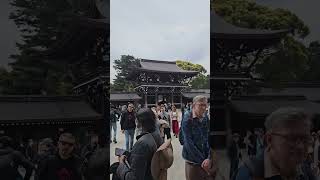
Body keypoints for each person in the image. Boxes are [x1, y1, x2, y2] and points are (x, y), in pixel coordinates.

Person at [234, 107, 318, 180]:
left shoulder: (305, 171)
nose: (300, 146)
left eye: (305, 138)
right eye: (291, 138)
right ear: (270, 140)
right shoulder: (249, 174)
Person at [116, 108, 163, 180]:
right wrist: (129, 155)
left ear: (139, 122)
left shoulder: (142, 143)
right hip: (152, 174)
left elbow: (134, 178)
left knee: (115, 167)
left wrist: (121, 164)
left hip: (146, 176)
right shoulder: (157, 135)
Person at [181, 95, 214, 180]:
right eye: (200, 105)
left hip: (206, 160)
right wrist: (203, 161)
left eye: (205, 105)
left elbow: (208, 137)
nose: (203, 108)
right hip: (193, 161)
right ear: (194, 105)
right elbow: (188, 143)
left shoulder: (205, 117)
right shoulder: (187, 119)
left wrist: (209, 157)